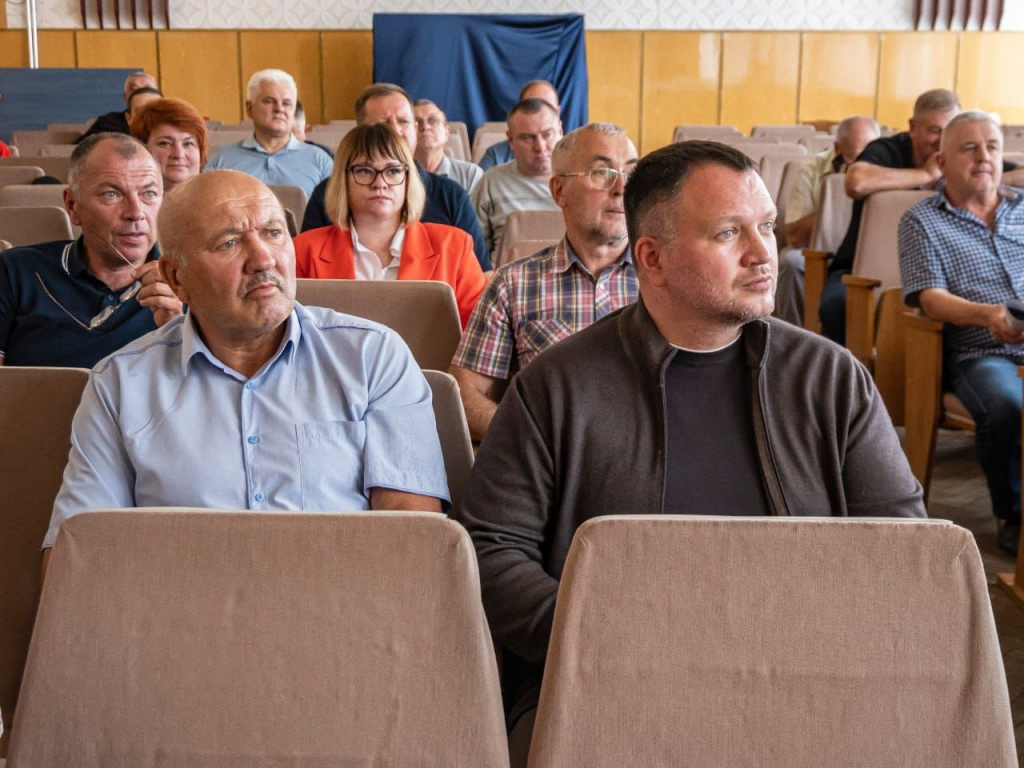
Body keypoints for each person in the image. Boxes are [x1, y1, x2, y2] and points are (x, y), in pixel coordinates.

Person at [455, 140, 926, 765]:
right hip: (607, 684)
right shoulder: (556, 386)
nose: (763, 253)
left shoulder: (830, 379)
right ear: (652, 258)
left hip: (804, 680)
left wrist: (819, 652)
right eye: (729, 233)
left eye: (765, 226)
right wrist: (596, 640)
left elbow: (902, 545)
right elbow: (491, 549)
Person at [41, 169, 449, 569]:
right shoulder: (120, 384)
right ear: (176, 278)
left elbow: (412, 540)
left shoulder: (372, 356)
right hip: (179, 609)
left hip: (342, 604)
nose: (264, 258)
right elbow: (75, 557)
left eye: (273, 233)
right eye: (229, 242)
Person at [450, 123, 639, 439]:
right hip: (550, 458)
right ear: (559, 191)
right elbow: (464, 393)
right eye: (602, 173)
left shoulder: (669, 279)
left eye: (631, 173)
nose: (621, 187)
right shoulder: (514, 284)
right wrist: (534, 439)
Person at [899, 111, 1024, 557]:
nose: (984, 157)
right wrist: (989, 316)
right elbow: (929, 297)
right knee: (1008, 405)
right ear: (941, 161)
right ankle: (1014, 515)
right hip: (980, 351)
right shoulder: (922, 220)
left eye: (992, 147)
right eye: (969, 148)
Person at [818, 89, 1024, 342]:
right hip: (858, 266)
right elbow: (856, 182)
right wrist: (927, 175)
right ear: (913, 128)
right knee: (836, 305)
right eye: (935, 131)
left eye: (951, 131)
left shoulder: (974, 158)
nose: (943, 139)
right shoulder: (889, 150)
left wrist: (979, 178)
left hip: (946, 275)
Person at [0, 133, 182, 368]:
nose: (136, 213)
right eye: (111, 194)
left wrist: (178, 329)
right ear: (72, 206)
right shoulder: (16, 271)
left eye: (148, 194)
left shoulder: (189, 283)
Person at [294, 124, 486, 328]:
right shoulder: (303, 250)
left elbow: (479, 333)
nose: (380, 183)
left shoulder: (455, 246)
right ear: (343, 179)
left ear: (408, 179)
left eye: (393, 170)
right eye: (364, 171)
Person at [301, 84, 491, 272]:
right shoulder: (323, 199)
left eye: (403, 121)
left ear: (415, 129)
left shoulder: (452, 197)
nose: (395, 131)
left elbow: (481, 275)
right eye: (382, 125)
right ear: (361, 132)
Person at [774, 116, 880, 325]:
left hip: (867, 252)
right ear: (838, 149)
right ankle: (794, 336)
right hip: (822, 251)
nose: (862, 170)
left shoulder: (885, 169)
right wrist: (837, 195)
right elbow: (795, 237)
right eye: (857, 161)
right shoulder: (810, 170)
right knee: (790, 262)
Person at [206, 69, 332, 198]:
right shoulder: (222, 160)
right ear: (249, 108)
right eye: (269, 101)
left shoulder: (320, 161)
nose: (279, 109)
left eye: (287, 103)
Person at [472, 98, 562, 254]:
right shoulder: (491, 183)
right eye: (528, 137)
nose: (540, 147)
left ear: (560, 131)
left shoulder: (581, 181)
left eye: (547, 134)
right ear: (511, 140)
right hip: (507, 269)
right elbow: (475, 251)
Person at [479, 80, 561, 171]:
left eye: (548, 107)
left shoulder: (572, 155)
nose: (540, 147)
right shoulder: (496, 155)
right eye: (531, 107)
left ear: (558, 112)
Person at [130, 97, 208, 192]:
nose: (179, 154)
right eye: (165, 143)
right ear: (142, 149)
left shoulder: (217, 199)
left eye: (188, 144)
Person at [413, 99, 483, 193]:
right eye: (417, 122)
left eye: (432, 120)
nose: (425, 127)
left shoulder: (470, 174)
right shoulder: (397, 174)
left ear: (446, 132)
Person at [78, 72, 159, 142]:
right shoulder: (108, 122)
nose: (141, 93)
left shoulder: (166, 121)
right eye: (134, 89)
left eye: (147, 89)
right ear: (125, 97)